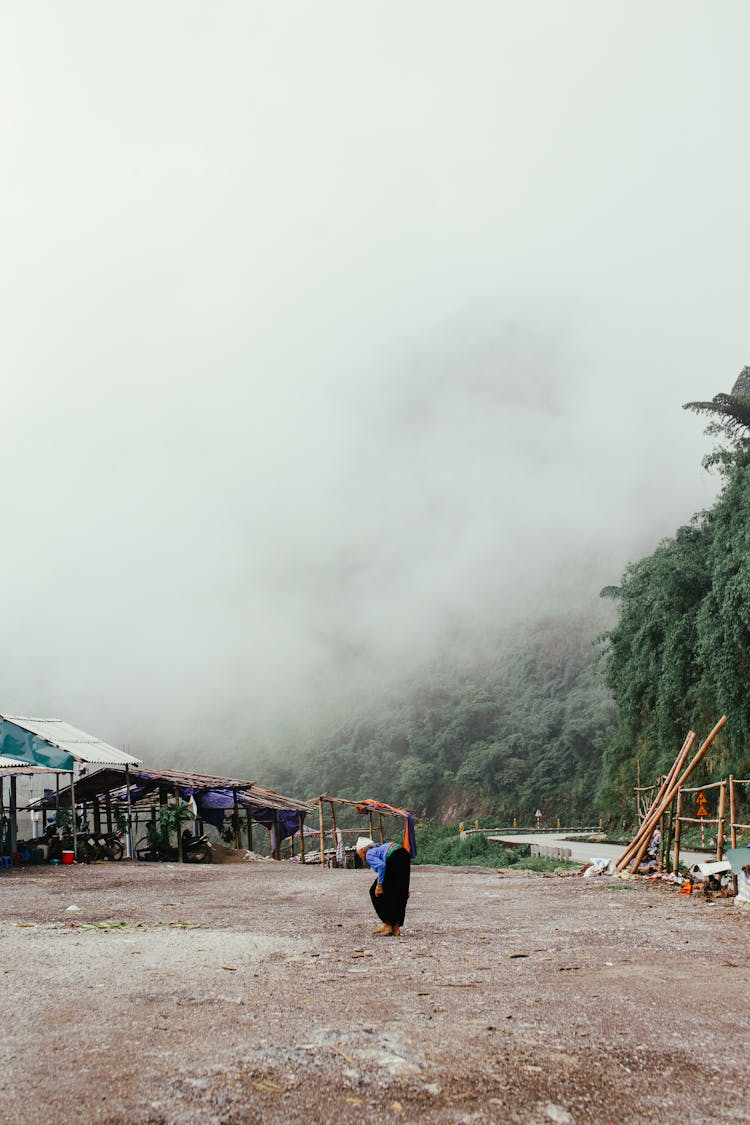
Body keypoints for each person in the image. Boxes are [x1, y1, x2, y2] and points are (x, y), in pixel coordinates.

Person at [356, 835, 411, 937]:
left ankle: (387, 923)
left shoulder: (369, 854)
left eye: (359, 854)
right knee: (399, 892)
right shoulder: (377, 849)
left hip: (394, 856)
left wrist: (379, 885)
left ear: (363, 850)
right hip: (404, 853)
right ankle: (396, 928)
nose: (361, 857)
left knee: (374, 892)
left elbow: (382, 866)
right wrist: (405, 887)